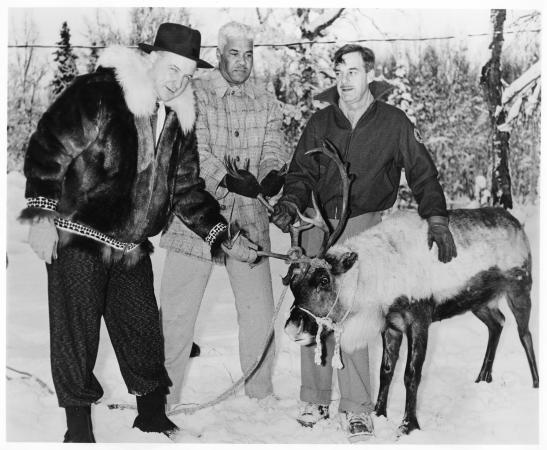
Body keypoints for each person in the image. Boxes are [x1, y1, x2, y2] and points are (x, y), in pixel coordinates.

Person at [19, 23, 258, 443]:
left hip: (130, 247)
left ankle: (152, 418)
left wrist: (222, 235)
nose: (177, 80)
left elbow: (186, 189)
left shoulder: (178, 121)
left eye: (186, 74)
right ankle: (78, 430)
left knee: (143, 331)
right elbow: (48, 145)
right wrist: (40, 213)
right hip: (80, 236)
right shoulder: (101, 92)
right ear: (152, 59)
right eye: (171, 68)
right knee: (76, 336)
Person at [272, 44, 457, 442]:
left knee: (354, 315)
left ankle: (357, 407)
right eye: (339, 71)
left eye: (353, 71)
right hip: (319, 223)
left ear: (369, 73)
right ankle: (315, 396)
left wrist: (437, 217)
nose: (345, 79)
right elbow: (300, 172)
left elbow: (422, 172)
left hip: (364, 227)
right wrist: (290, 201)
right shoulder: (321, 122)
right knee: (311, 308)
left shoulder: (393, 122)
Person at [159, 21, 289, 407]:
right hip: (194, 217)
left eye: (249, 54)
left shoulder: (266, 100)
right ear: (219, 55)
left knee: (258, 314)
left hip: (249, 220)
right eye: (234, 54)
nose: (242, 62)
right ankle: (159, 400)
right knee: (177, 316)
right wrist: (227, 180)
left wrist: (267, 178)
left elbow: (274, 147)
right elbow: (190, 152)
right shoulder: (195, 94)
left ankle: (260, 394)